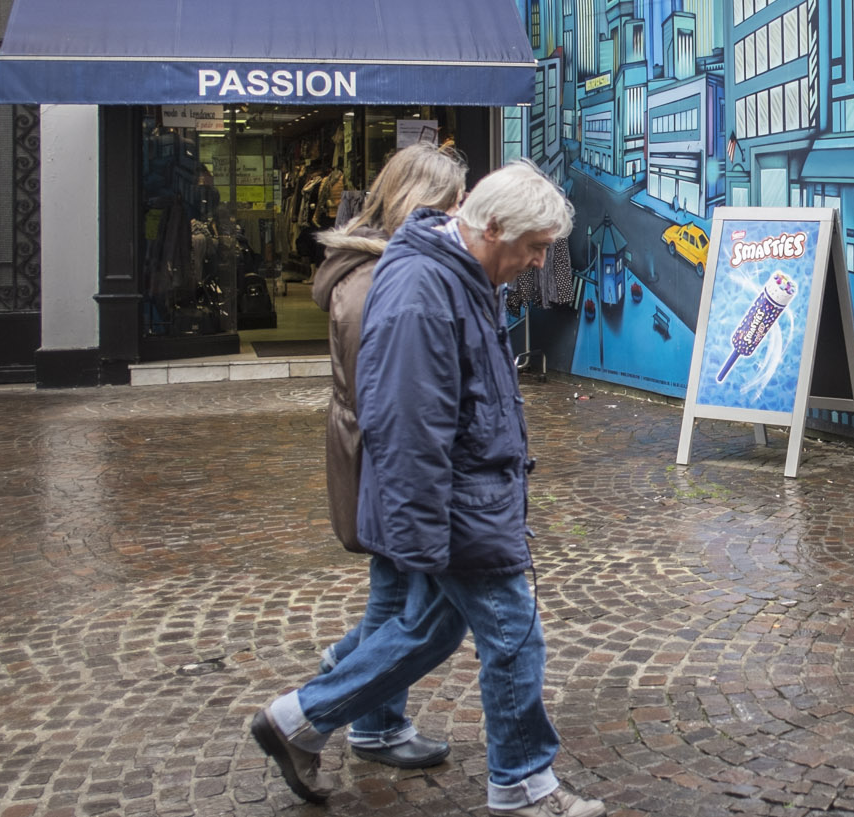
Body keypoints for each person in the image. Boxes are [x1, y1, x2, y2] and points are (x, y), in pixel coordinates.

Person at [250, 160, 604, 817]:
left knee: (427, 630)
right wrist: (419, 536)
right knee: (514, 634)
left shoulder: (460, 273)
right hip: (458, 506)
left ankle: (300, 718)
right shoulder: (424, 287)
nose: (535, 263)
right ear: (492, 227)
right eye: (532, 248)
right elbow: (408, 422)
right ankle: (524, 782)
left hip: (466, 500)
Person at [306, 142, 469, 771]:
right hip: (387, 461)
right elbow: (399, 395)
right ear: (421, 205)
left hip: (374, 455)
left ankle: (363, 695)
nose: (460, 217)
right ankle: (359, 699)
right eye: (453, 204)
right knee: (414, 600)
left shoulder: (371, 270)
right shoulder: (383, 280)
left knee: (396, 589)